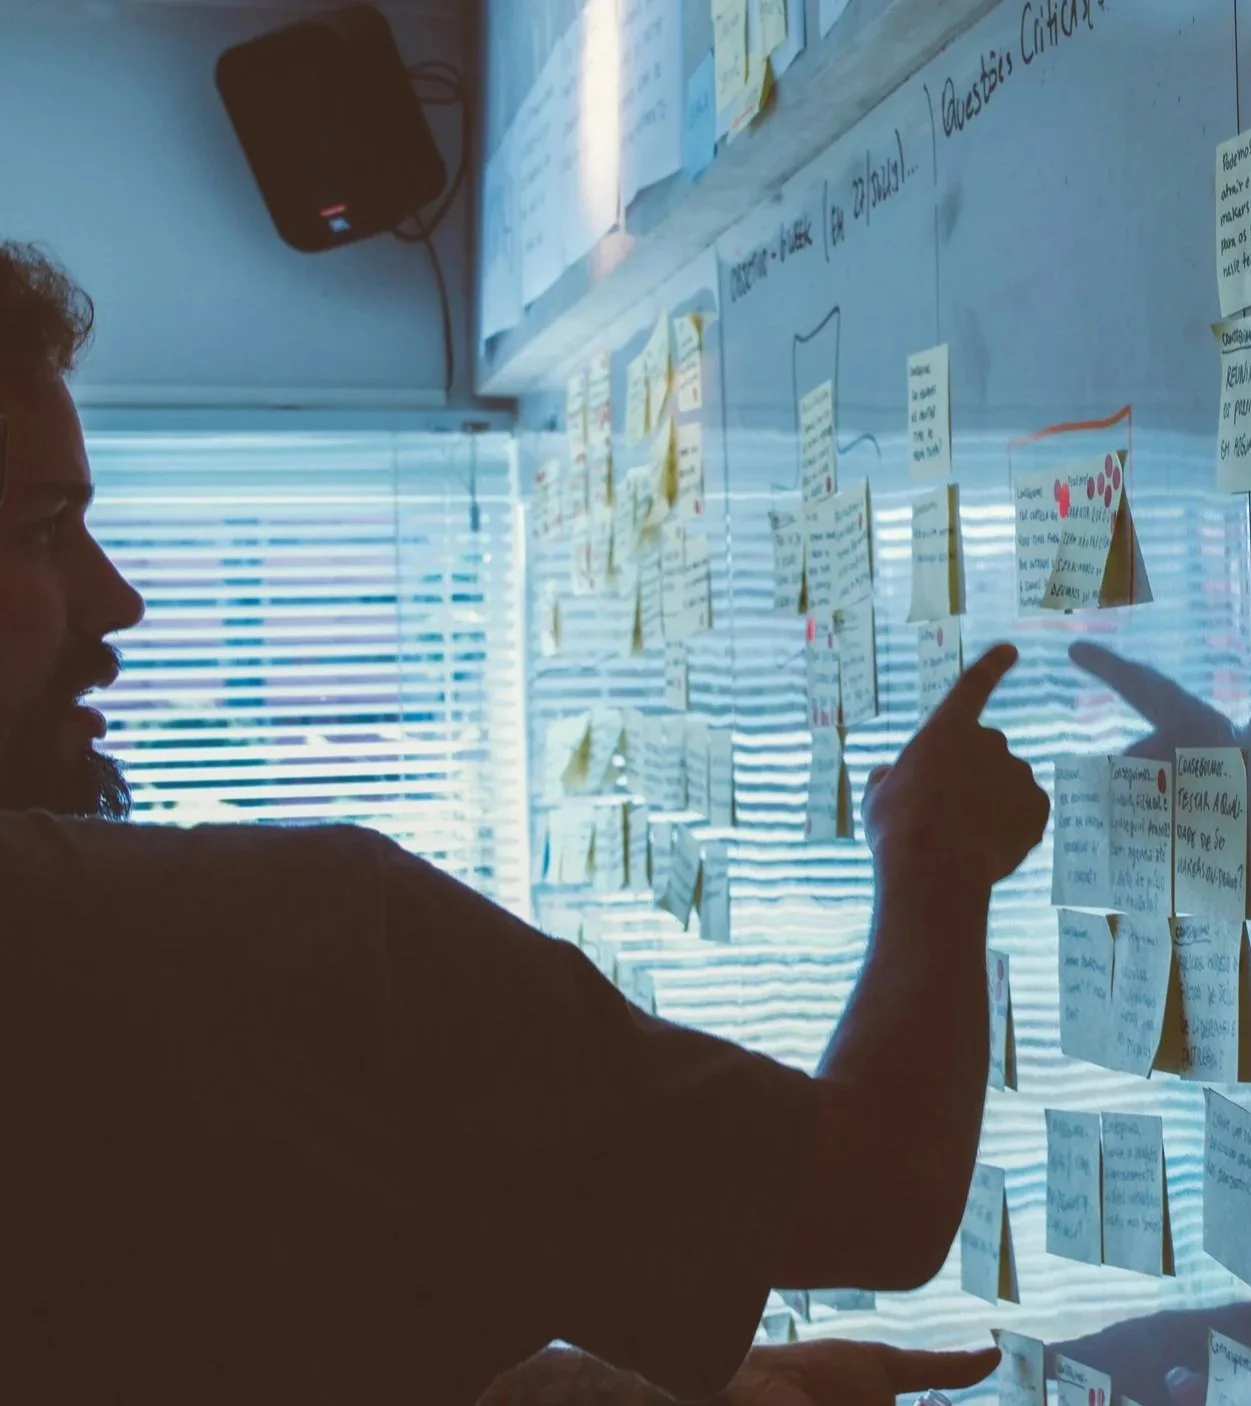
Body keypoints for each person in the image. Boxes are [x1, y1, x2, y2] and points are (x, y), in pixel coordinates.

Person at [0, 240, 1045, 1406]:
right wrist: (931, 854)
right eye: (40, 529)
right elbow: (876, 1193)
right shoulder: (278, 943)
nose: (117, 598)